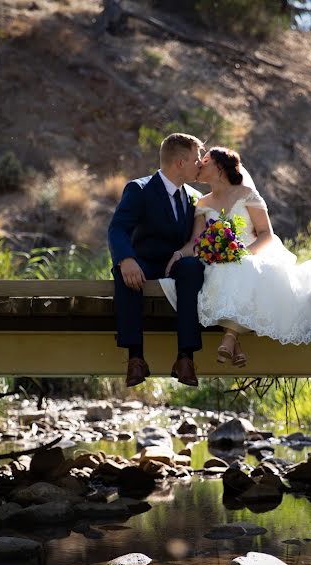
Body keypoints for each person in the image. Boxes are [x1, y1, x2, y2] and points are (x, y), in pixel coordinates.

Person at [161, 147, 311, 367]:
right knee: (217, 274)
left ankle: (230, 338)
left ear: (220, 167)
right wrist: (179, 254)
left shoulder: (247, 194)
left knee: (241, 270)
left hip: (249, 253)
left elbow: (266, 235)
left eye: (206, 161)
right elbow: (196, 241)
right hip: (218, 259)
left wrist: (242, 254)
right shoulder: (202, 203)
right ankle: (234, 343)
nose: (200, 164)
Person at [108, 133, 205, 387]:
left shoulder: (194, 196)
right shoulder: (140, 189)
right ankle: (135, 359)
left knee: (193, 268)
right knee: (124, 274)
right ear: (180, 163)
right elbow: (117, 229)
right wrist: (126, 259)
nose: (200, 164)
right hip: (144, 264)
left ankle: (185, 358)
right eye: (196, 159)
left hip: (177, 266)